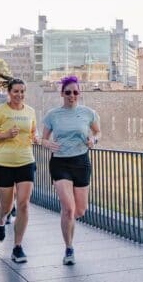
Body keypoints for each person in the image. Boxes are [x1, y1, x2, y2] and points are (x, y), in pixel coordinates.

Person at [41, 75, 101, 265]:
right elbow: (43, 139)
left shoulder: (88, 113)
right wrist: (47, 144)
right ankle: (69, 248)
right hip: (60, 163)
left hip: (81, 162)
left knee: (80, 210)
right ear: (62, 94)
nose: (72, 95)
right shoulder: (53, 115)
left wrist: (94, 140)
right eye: (68, 92)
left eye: (75, 92)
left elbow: (98, 132)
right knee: (68, 208)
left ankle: (67, 220)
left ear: (79, 93)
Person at [0, 72, 38, 263]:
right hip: (3, 163)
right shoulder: (1, 111)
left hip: (26, 160)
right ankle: (1, 219)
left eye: (22, 91)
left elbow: (32, 131)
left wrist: (36, 137)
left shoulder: (30, 111)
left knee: (23, 204)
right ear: (9, 92)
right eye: (16, 91)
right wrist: (6, 134)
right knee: (7, 206)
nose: (19, 94)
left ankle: (17, 247)